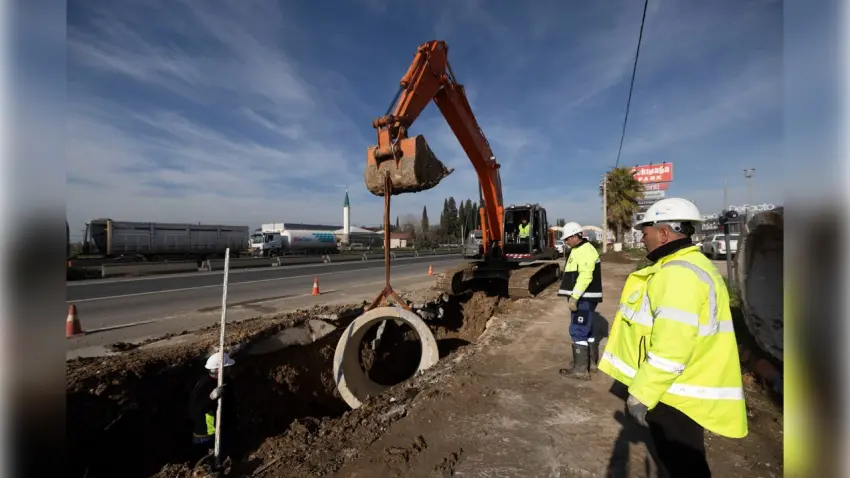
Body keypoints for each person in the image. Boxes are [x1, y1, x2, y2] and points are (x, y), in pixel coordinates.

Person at [598, 198, 747, 477]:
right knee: (682, 463)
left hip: (675, 394)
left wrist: (642, 393)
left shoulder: (678, 275)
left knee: (683, 465)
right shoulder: (692, 266)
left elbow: (671, 347)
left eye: (645, 233)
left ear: (664, 233)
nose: (642, 239)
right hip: (683, 384)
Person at [557, 222, 603, 380]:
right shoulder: (579, 249)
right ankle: (590, 363)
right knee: (587, 330)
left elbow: (585, 275)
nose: (566, 242)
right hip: (585, 296)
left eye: (567, 238)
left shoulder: (584, 250)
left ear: (576, 236)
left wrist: (575, 297)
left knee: (578, 329)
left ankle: (580, 370)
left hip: (584, 297)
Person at [189, 351, 236, 466]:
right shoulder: (205, 385)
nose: (230, 370)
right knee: (205, 464)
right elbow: (194, 410)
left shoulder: (222, 382)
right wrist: (210, 398)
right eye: (227, 368)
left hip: (219, 430)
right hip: (206, 435)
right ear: (219, 370)